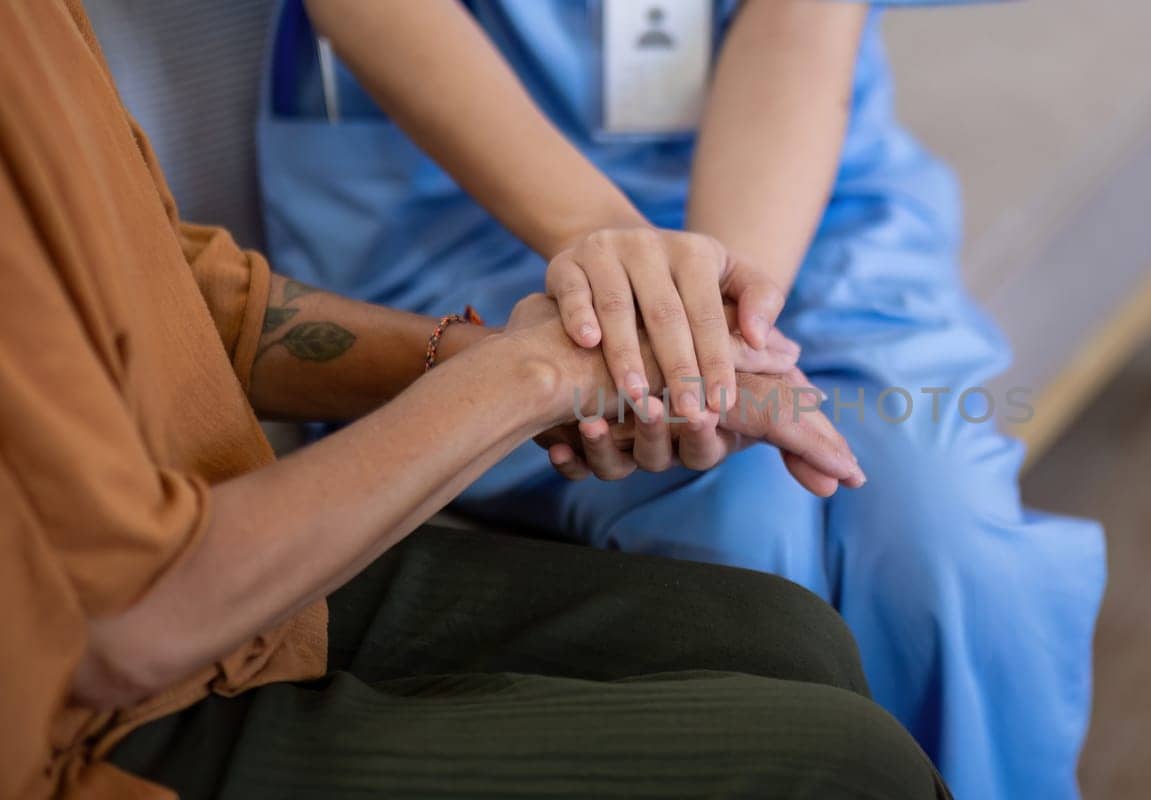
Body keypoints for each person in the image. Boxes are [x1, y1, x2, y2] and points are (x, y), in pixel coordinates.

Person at [0, 3, 944, 798]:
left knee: (786, 635)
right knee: (846, 765)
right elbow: (124, 620)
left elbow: (181, 293)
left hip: (221, 582)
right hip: (87, 723)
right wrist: (538, 377)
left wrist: (509, 353)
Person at [261, 1, 1108, 796]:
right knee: (739, 530)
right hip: (454, 203)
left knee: (948, 541)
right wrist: (626, 284)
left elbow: (796, 26)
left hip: (798, 205)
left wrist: (725, 326)